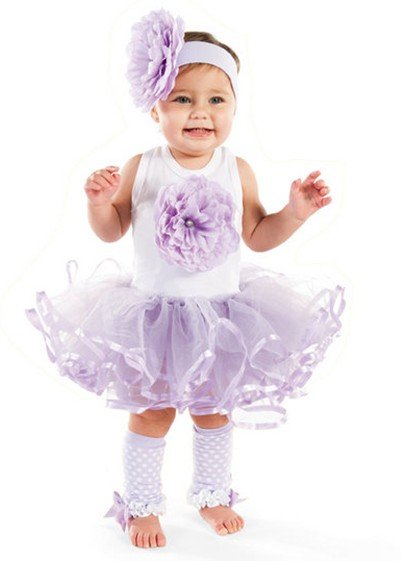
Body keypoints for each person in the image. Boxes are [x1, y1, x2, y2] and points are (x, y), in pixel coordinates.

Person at [25, 8, 346, 550]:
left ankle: (212, 494)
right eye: (183, 99)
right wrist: (99, 203)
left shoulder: (236, 169)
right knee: (153, 414)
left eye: (217, 99)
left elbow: (257, 235)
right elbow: (112, 231)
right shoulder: (143, 166)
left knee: (214, 411)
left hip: (220, 318)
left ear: (234, 108)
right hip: (154, 319)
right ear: (156, 108)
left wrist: (294, 213)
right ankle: (141, 504)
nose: (201, 111)